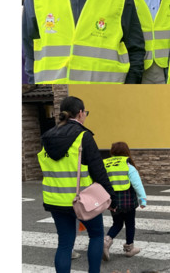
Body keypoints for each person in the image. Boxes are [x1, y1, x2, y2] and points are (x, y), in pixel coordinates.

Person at [37, 96, 117, 273]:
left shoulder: (47, 138)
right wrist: (113, 198)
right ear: (80, 113)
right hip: (82, 200)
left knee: (65, 244)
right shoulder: (83, 136)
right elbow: (99, 171)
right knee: (96, 235)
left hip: (55, 200)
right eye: (85, 113)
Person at [102, 142, 147, 261]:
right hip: (128, 201)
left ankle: (106, 242)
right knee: (130, 223)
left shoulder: (106, 164)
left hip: (113, 202)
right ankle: (129, 248)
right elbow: (137, 185)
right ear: (126, 151)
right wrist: (142, 200)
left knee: (117, 223)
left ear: (112, 151)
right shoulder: (128, 166)